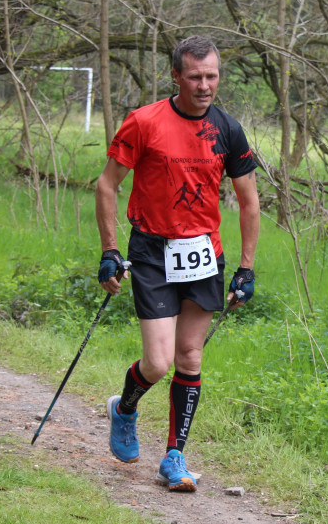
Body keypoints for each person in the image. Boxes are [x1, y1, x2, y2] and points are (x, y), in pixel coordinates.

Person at [94, 35, 260, 493]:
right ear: (176, 76)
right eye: (195, 77)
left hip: (204, 254)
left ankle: (174, 457)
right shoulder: (144, 122)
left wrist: (246, 269)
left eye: (211, 76)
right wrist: (110, 250)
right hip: (152, 249)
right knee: (159, 361)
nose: (205, 86)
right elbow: (106, 186)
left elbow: (249, 203)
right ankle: (124, 409)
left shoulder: (228, 129)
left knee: (190, 355)